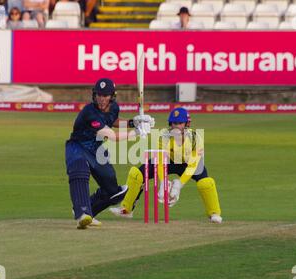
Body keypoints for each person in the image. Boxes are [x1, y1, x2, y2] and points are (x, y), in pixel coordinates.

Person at [66, 78, 155, 229]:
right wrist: (137, 132)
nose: (101, 98)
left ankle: (89, 212)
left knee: (113, 192)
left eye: (105, 95)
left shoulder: (114, 108)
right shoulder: (89, 112)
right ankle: (82, 213)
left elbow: (112, 121)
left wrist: (134, 122)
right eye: (99, 95)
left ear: (112, 96)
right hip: (78, 147)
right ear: (94, 95)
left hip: (97, 150)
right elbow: (111, 136)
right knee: (80, 170)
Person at [110, 107, 223, 224]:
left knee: (205, 183)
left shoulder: (195, 138)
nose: (177, 126)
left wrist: (179, 184)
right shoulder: (164, 136)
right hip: (168, 162)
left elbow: (193, 165)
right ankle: (126, 209)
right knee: (137, 174)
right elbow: (160, 160)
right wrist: (163, 181)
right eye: (174, 123)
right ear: (170, 123)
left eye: (180, 123)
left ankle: (214, 213)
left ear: (187, 124)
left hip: (188, 164)